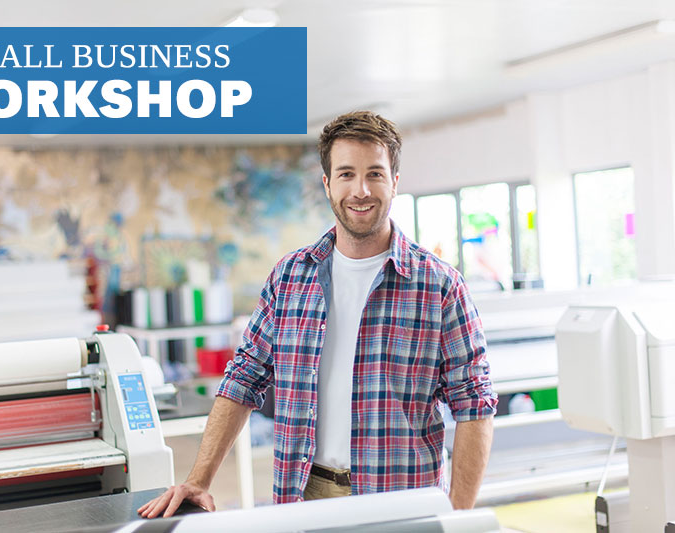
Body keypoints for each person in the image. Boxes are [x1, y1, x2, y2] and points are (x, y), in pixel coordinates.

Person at [139, 111, 497, 518]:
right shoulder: (290, 278)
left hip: (401, 502)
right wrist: (198, 479)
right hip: (301, 499)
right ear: (327, 184)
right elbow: (243, 378)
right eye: (346, 174)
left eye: (375, 174)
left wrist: (459, 516)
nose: (360, 190)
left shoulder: (440, 286)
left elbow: (474, 404)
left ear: (395, 182)